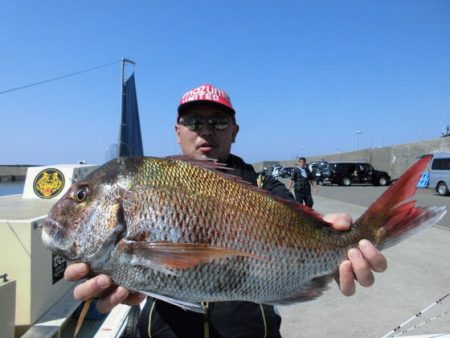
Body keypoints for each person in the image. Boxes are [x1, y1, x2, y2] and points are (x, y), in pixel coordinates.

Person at [64, 84, 387, 337]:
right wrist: (112, 273)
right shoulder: (150, 182)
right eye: (192, 121)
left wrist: (334, 240)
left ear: (234, 130)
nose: (205, 130)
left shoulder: (262, 184)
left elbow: (302, 222)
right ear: (177, 131)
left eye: (218, 121)